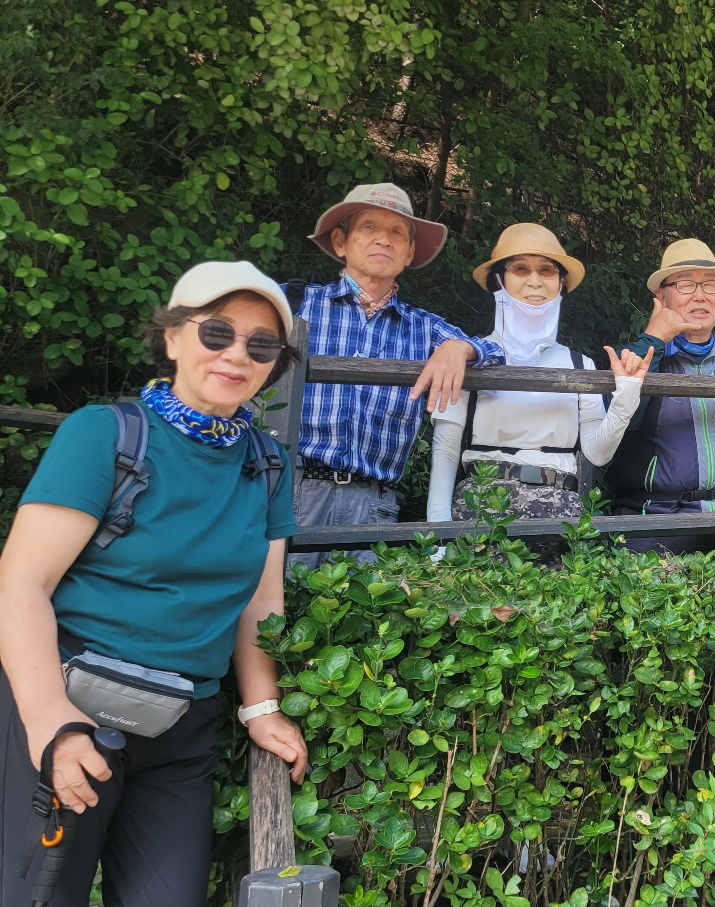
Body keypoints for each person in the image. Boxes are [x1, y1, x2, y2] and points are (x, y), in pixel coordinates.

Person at [0, 262, 310, 906]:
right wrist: (48, 717)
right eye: (217, 332)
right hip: (68, 701)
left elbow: (260, 601)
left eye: (261, 345)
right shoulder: (104, 434)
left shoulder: (268, 464)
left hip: (181, 728)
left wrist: (262, 707)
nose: (237, 354)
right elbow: (22, 581)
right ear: (172, 336)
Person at [290, 183, 505, 568]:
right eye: (369, 227)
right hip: (293, 491)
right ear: (341, 242)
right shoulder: (292, 305)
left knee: (367, 604)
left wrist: (461, 347)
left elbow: (498, 356)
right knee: (275, 601)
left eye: (396, 233)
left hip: (375, 501)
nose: (383, 240)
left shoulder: (423, 327)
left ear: (408, 252)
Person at [426, 224, 648, 524]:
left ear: (560, 283)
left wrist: (627, 395)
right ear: (498, 280)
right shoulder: (467, 357)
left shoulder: (579, 364)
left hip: (560, 509)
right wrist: (438, 535)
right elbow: (445, 449)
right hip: (480, 507)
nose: (534, 281)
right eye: (520, 269)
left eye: (546, 270)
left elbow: (597, 454)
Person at [606, 239, 715, 554]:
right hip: (652, 523)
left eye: (711, 285)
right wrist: (653, 339)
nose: (700, 295)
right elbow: (613, 435)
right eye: (685, 285)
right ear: (662, 297)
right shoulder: (635, 357)